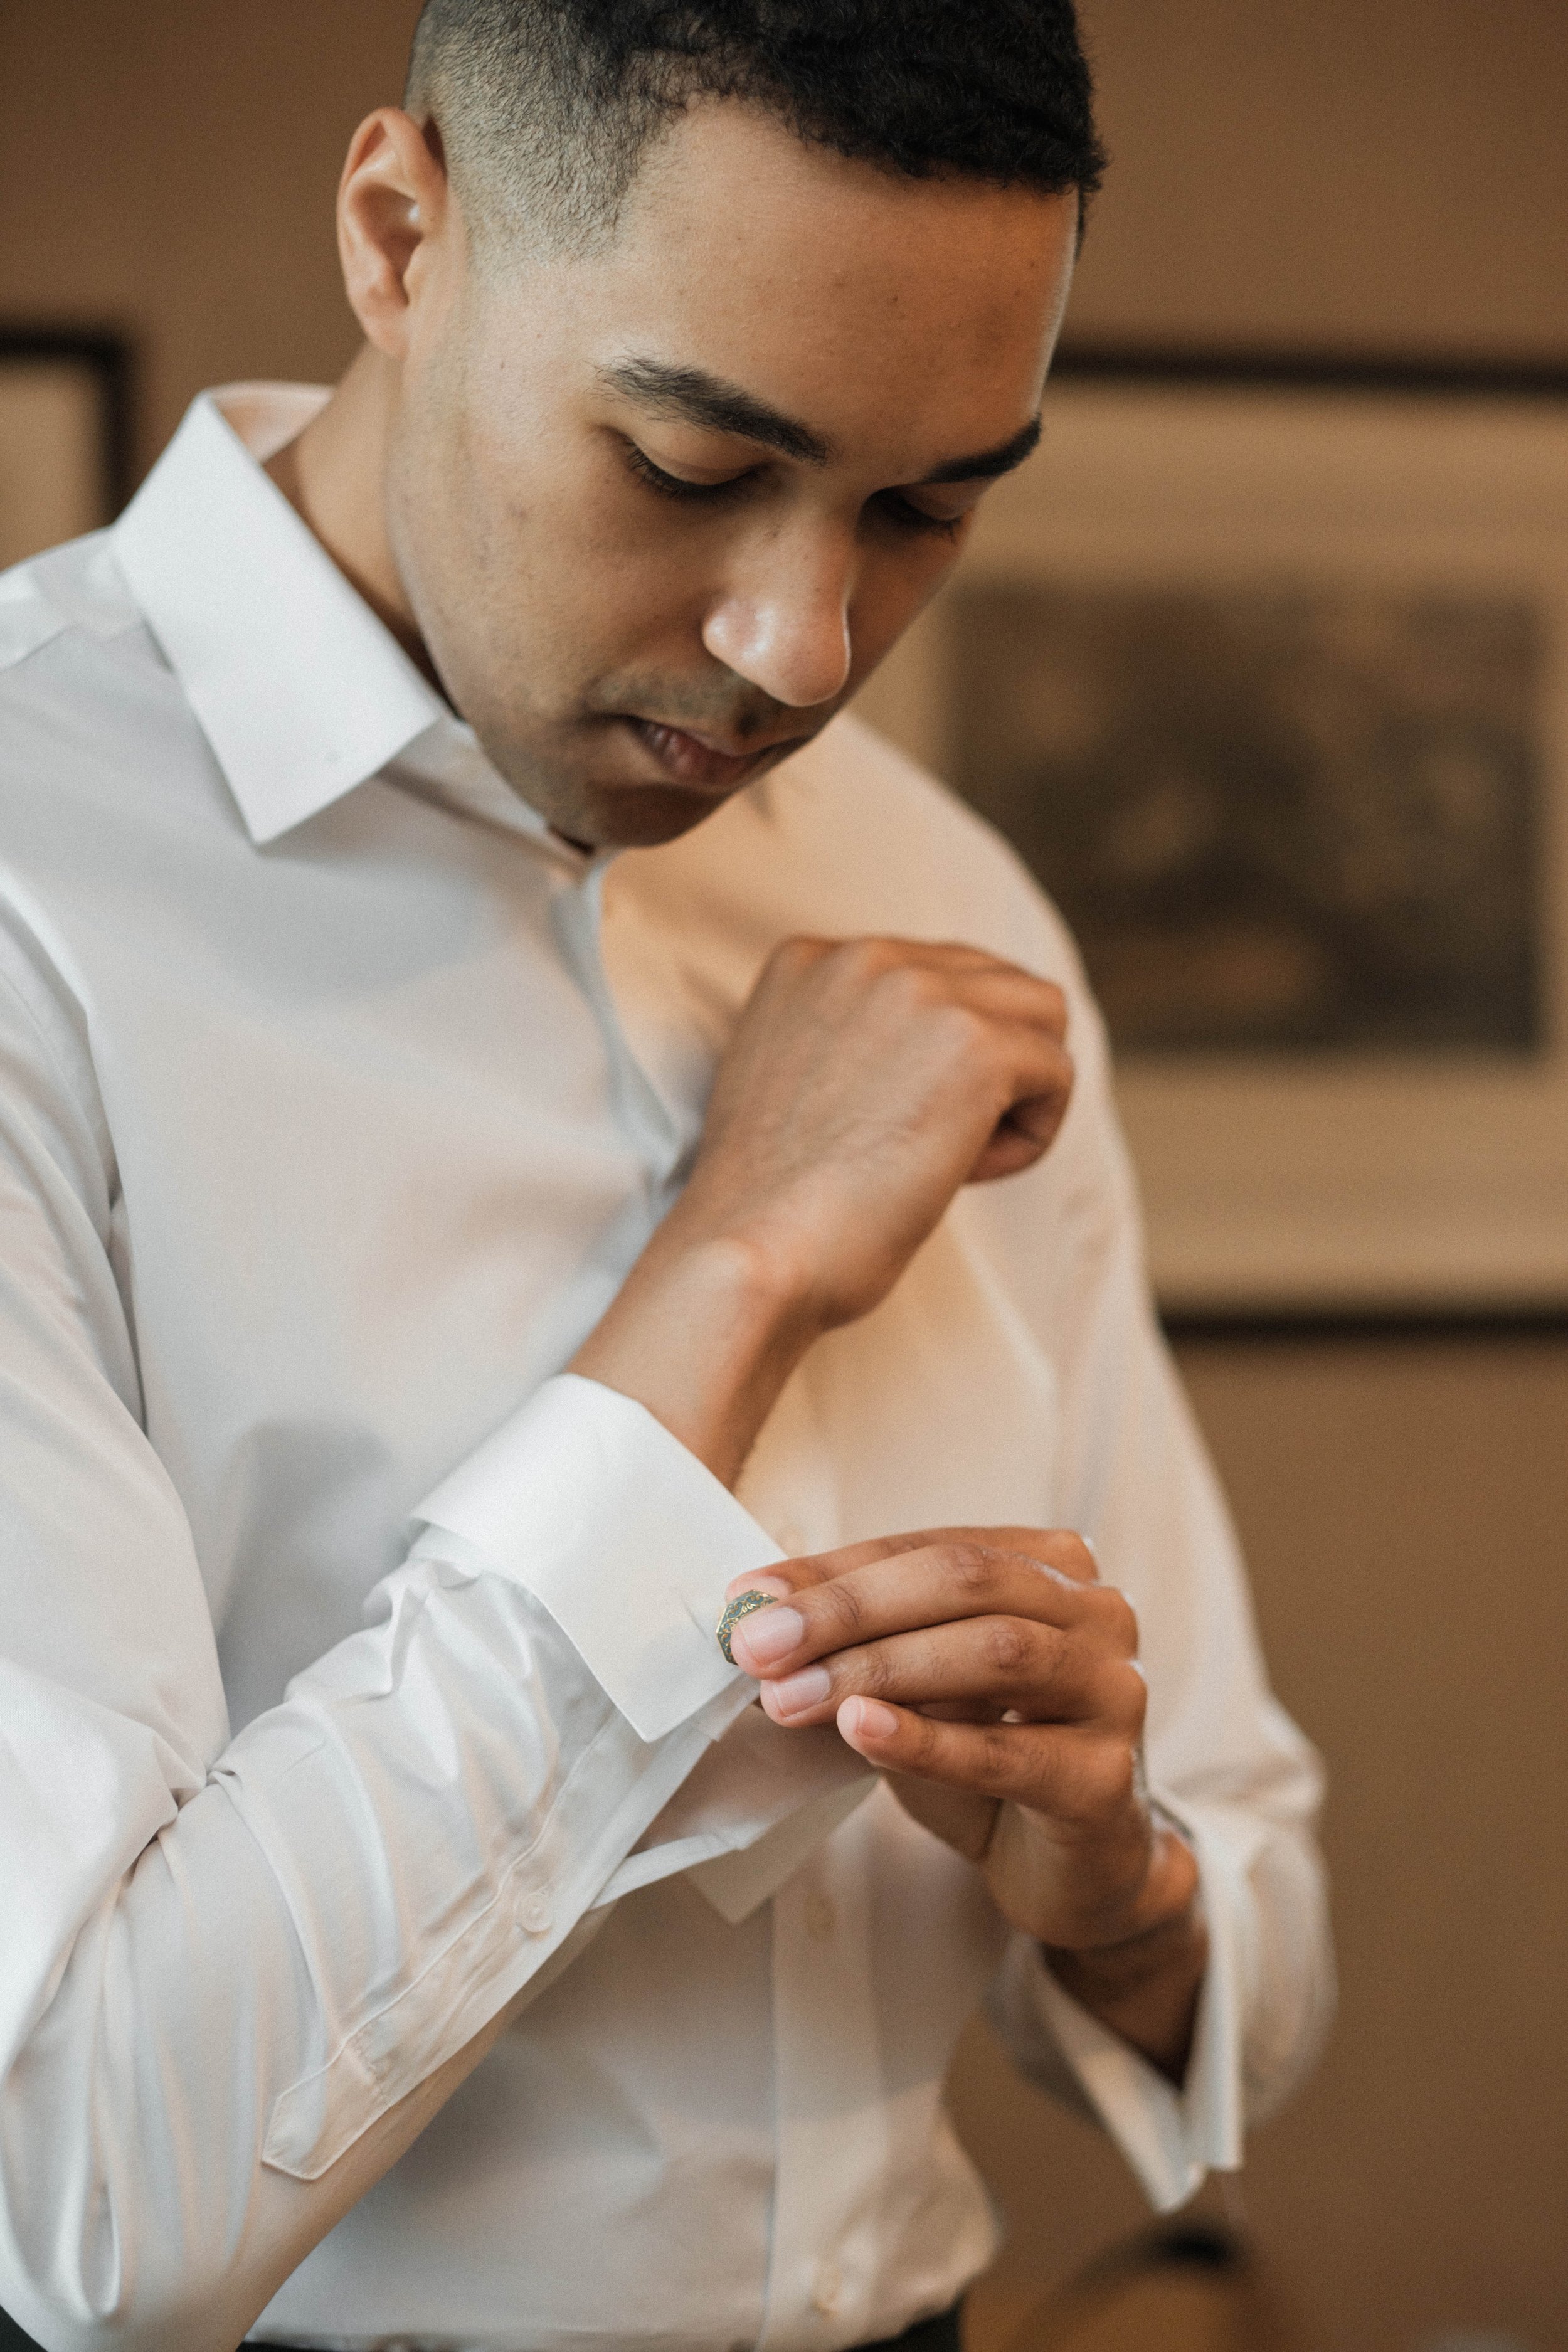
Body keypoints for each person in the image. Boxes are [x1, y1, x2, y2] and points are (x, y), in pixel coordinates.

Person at [0, 5, 1333, 2349]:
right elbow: (85, 2201)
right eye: (691, 462)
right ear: (400, 234)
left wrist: (1110, 1893)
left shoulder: (956, 906)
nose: (798, 646)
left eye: (929, 504)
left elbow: (1254, 1935)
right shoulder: (30, 890)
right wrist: (727, 1277)